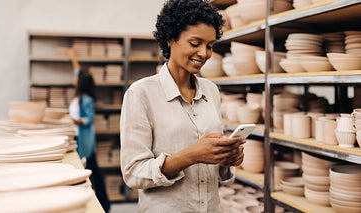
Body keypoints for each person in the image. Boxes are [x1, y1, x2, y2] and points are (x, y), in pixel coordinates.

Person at [120, 0, 245, 212]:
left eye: (210, 46)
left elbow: (218, 171)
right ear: (170, 38)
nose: (204, 53)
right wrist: (192, 155)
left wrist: (227, 159)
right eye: (195, 44)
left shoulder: (211, 91)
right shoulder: (141, 94)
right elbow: (133, 173)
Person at [67, 49, 111, 212]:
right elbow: (78, 71)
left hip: (84, 140)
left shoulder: (86, 99)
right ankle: (100, 203)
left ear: (80, 83)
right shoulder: (78, 96)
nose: (73, 79)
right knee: (90, 170)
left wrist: (72, 120)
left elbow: (89, 119)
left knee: (92, 172)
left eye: (76, 78)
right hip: (78, 138)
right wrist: (73, 58)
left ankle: (103, 205)